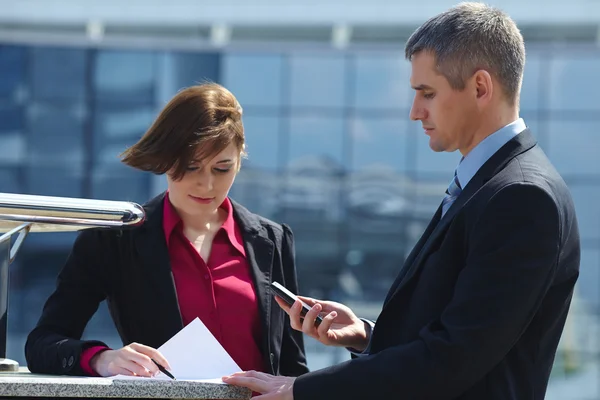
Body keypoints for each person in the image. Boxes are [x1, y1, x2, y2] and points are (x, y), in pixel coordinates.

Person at [222, 3, 581, 399]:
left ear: (480, 87)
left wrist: (301, 390)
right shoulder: (492, 184)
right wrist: (364, 335)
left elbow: (453, 360)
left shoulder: (521, 197)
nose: (415, 112)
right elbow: (460, 338)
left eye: (427, 93)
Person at [25, 83, 309, 379]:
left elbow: (292, 366)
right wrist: (102, 359)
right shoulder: (113, 240)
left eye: (222, 168)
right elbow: (42, 343)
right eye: (191, 166)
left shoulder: (273, 240)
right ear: (165, 159)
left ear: (239, 160)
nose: (207, 184)